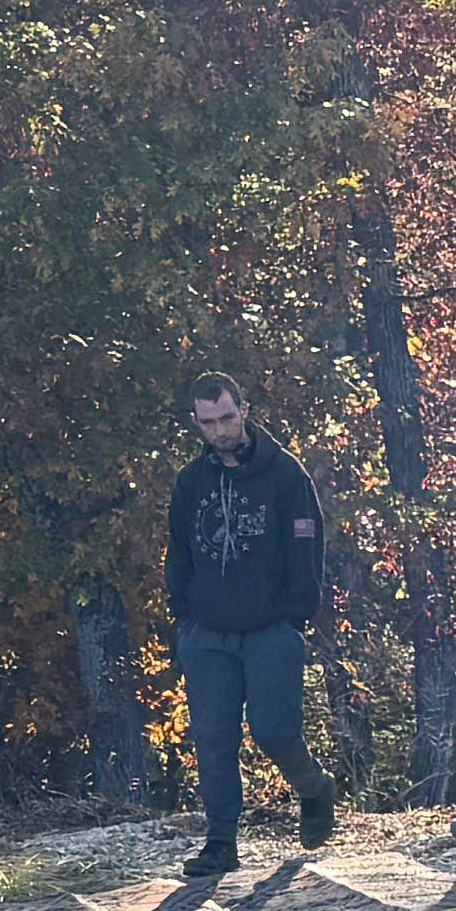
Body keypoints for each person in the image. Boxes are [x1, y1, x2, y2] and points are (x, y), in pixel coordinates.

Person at [162, 369, 333, 881]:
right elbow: (179, 549)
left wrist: (297, 613)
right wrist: (182, 611)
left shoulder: (285, 475)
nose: (219, 430)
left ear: (245, 412)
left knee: (274, 730)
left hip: (270, 628)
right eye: (208, 422)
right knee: (213, 737)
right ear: (196, 423)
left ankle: (314, 788)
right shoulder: (191, 481)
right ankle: (221, 841)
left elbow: (307, 545)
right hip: (206, 632)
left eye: (227, 418)